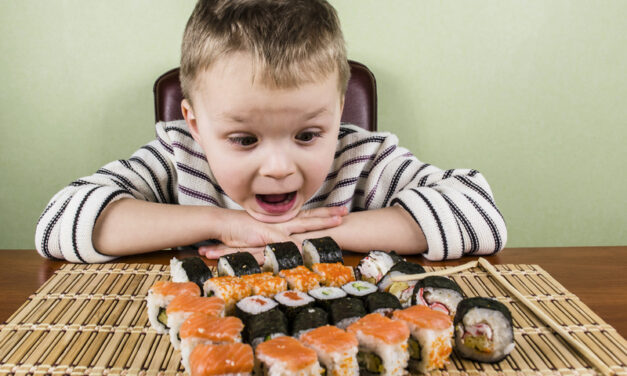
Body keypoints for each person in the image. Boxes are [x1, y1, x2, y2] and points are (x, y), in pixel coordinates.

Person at [35, 0, 507, 264]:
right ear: (195, 125)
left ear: (339, 112)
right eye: (244, 140)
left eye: (307, 135)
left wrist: (318, 238)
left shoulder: (360, 160)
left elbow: (480, 214)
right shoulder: (180, 158)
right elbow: (58, 223)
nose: (280, 168)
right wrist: (225, 224)